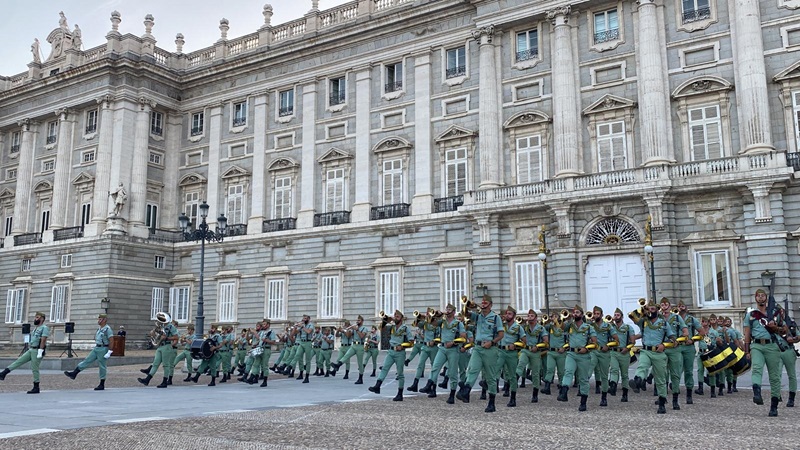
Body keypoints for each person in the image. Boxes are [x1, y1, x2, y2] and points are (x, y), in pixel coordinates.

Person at [456, 294, 504, 413]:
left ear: (490, 305)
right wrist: (467, 305)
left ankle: (491, 402)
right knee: (472, 369)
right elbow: (465, 314)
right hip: (478, 347)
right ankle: (466, 391)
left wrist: (492, 342)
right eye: (482, 303)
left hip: (490, 349)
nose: (483, 305)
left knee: (490, 376)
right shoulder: (478, 316)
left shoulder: (495, 317)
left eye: (485, 303)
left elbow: (501, 334)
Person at [629, 300, 676, 414]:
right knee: (642, 366)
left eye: (653, 309)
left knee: (660, 379)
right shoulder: (643, 322)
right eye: (649, 309)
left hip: (659, 353)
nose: (651, 311)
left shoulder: (664, 323)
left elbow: (673, 340)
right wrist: (642, 309)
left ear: (657, 310)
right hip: (646, 350)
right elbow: (631, 315)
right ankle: (637, 381)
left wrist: (664, 345)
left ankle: (661, 402)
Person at [744, 288, 785, 417]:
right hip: (756, 345)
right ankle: (757, 393)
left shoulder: (774, 313)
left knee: (774, 376)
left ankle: (774, 406)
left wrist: (775, 327)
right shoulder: (751, 315)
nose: (761, 298)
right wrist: (747, 351)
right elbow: (747, 334)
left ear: (766, 298)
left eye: (763, 296)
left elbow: (784, 330)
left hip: (772, 345)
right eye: (758, 296)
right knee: (756, 368)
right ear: (755, 298)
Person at [419, 303, 466, 403]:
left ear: (453, 312)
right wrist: (437, 315)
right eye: (446, 309)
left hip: (453, 350)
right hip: (442, 348)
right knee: (435, 367)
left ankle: (452, 395)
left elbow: (463, 337)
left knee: (452, 373)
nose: (447, 311)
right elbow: (432, 323)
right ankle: (429, 385)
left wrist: (453, 342)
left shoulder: (458, 323)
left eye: (449, 309)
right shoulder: (442, 322)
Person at [558, 305, 597, 412]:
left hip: (584, 355)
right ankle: (564, 392)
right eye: (574, 312)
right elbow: (560, 327)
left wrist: (586, 348)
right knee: (568, 372)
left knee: (583, 379)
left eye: (577, 313)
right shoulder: (570, 325)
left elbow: (594, 342)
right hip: (571, 353)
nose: (575, 314)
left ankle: (583, 402)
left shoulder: (589, 327)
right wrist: (565, 318)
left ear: (582, 314)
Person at [369, 310, 414, 401]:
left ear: (401, 318)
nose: (395, 318)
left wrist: (402, 346)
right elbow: (380, 328)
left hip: (400, 353)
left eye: (397, 316)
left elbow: (411, 342)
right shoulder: (392, 327)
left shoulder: (405, 328)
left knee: (400, 373)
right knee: (385, 368)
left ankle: (400, 393)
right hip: (391, 351)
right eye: (394, 316)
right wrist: (386, 320)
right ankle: (377, 386)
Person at [0, 312, 49, 393]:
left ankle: (36, 386)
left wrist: (40, 350)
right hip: (31, 349)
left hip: (37, 350)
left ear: (42, 319)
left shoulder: (44, 328)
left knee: (34, 368)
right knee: (19, 361)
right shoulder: (36, 328)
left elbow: (43, 339)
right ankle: (4, 373)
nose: (35, 319)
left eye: (37, 317)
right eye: (35, 317)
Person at [64, 313, 114, 390]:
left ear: (105, 320)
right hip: (97, 347)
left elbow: (111, 340)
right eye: (99, 319)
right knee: (87, 360)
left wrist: (109, 352)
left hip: (103, 348)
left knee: (102, 366)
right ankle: (74, 373)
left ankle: (102, 383)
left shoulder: (108, 329)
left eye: (100, 319)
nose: (99, 320)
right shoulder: (99, 329)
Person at [660, 297, 688, 410]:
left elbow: (685, 330)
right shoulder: (657, 318)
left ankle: (675, 399)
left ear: (670, 306)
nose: (664, 306)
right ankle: (662, 397)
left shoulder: (676, 317)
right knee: (662, 374)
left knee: (675, 374)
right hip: (662, 348)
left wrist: (681, 338)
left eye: (666, 304)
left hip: (674, 348)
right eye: (662, 304)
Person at [138, 313, 179, 388]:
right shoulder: (161, 327)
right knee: (155, 363)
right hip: (160, 346)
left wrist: (167, 338)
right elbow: (155, 335)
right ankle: (147, 380)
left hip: (167, 346)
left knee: (166, 365)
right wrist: (153, 333)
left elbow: (176, 337)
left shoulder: (171, 327)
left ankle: (165, 381)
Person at [516, 310, 548, 403]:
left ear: (536, 317)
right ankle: (515, 379)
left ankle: (535, 394)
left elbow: (546, 340)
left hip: (535, 352)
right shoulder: (524, 327)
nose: (529, 317)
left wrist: (537, 346)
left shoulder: (541, 328)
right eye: (528, 315)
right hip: (525, 350)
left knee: (535, 373)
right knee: (521, 364)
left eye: (532, 315)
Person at [331, 315, 369, 384]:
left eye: (359, 320)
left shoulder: (364, 328)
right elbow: (348, 335)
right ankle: (338, 365)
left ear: (362, 321)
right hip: (354, 345)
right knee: (346, 356)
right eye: (357, 320)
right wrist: (344, 330)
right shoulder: (354, 329)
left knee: (360, 363)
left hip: (360, 346)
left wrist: (356, 329)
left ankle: (360, 378)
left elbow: (361, 336)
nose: (357, 321)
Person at [609, 308, 635, 402]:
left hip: (624, 353)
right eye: (615, 315)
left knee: (624, 374)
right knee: (614, 369)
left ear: (622, 317)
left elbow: (633, 341)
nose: (616, 317)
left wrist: (627, 348)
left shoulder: (628, 328)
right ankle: (613, 386)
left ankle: (625, 394)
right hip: (613, 352)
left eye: (618, 315)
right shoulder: (610, 327)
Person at [589, 306, 613, 407]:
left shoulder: (608, 326)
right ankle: (584, 388)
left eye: (598, 314)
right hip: (593, 351)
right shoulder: (589, 326)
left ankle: (604, 397)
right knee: (589, 368)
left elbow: (616, 340)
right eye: (595, 314)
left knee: (604, 376)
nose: (596, 315)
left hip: (604, 353)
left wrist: (608, 346)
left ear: (602, 315)